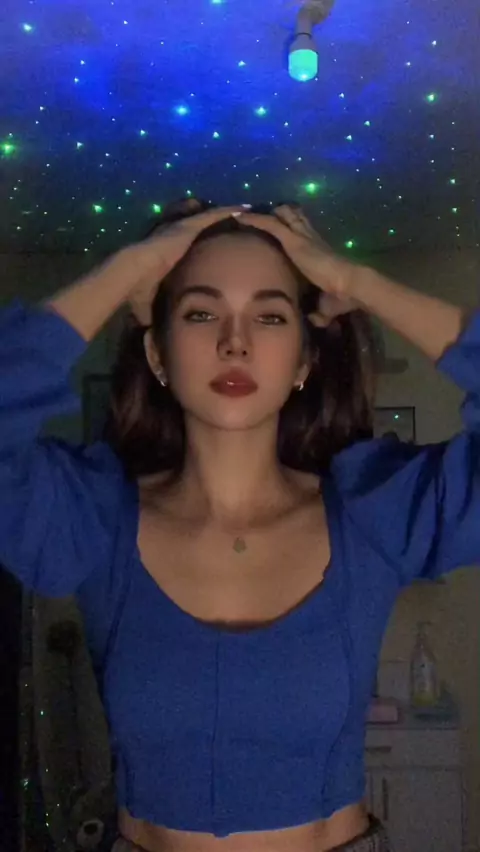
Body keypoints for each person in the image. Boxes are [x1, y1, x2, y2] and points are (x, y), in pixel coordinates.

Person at [1, 196, 479, 852]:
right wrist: (127, 271)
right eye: (200, 313)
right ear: (158, 355)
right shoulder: (95, 514)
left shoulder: (373, 511)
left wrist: (357, 282)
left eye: (271, 316)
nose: (236, 341)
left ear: (305, 361)